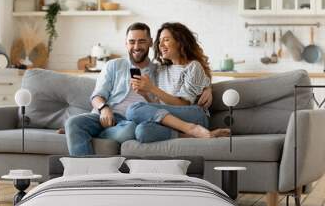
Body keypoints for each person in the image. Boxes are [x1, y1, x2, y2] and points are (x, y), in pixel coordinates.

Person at [126, 22, 230, 143]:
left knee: (133, 109)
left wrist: (152, 88)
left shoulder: (193, 67)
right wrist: (145, 94)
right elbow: (160, 107)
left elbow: (183, 105)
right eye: (160, 41)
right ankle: (193, 135)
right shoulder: (161, 69)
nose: (161, 45)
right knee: (142, 131)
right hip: (172, 120)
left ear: (180, 42)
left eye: (166, 40)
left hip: (194, 115)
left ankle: (192, 129)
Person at [65, 22, 157, 156]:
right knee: (73, 122)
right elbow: (97, 96)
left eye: (141, 41)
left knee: (130, 130)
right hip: (106, 116)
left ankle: (93, 134)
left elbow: (160, 105)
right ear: (126, 43)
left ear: (150, 42)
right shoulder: (114, 65)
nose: (136, 47)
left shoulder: (159, 71)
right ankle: (85, 171)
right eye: (132, 42)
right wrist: (104, 108)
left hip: (131, 122)